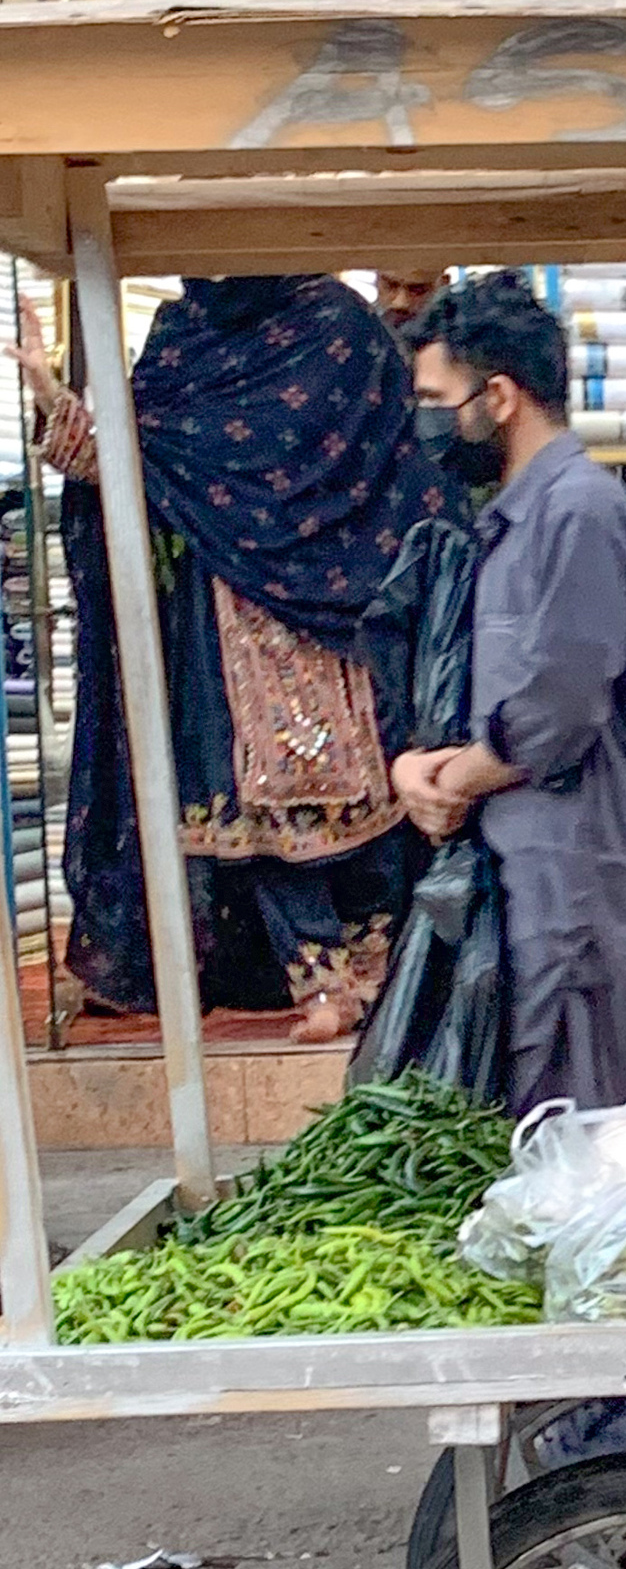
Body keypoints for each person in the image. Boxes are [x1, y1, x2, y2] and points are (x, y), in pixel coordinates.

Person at [17, 275, 435, 1039]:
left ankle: (382, 975)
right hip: (230, 630)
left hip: (343, 616)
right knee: (260, 818)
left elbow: (403, 464)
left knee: (376, 810)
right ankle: (321, 987)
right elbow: (140, 461)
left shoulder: (338, 327)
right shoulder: (187, 338)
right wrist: (51, 396)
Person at [392, 269, 626, 1115]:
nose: (429, 423)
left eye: (435, 398)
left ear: (500, 396)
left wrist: (443, 783)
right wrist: (416, 768)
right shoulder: (516, 517)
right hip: (531, 900)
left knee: (586, 1152)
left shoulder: (580, 513)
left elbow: (555, 716)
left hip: (581, 910)